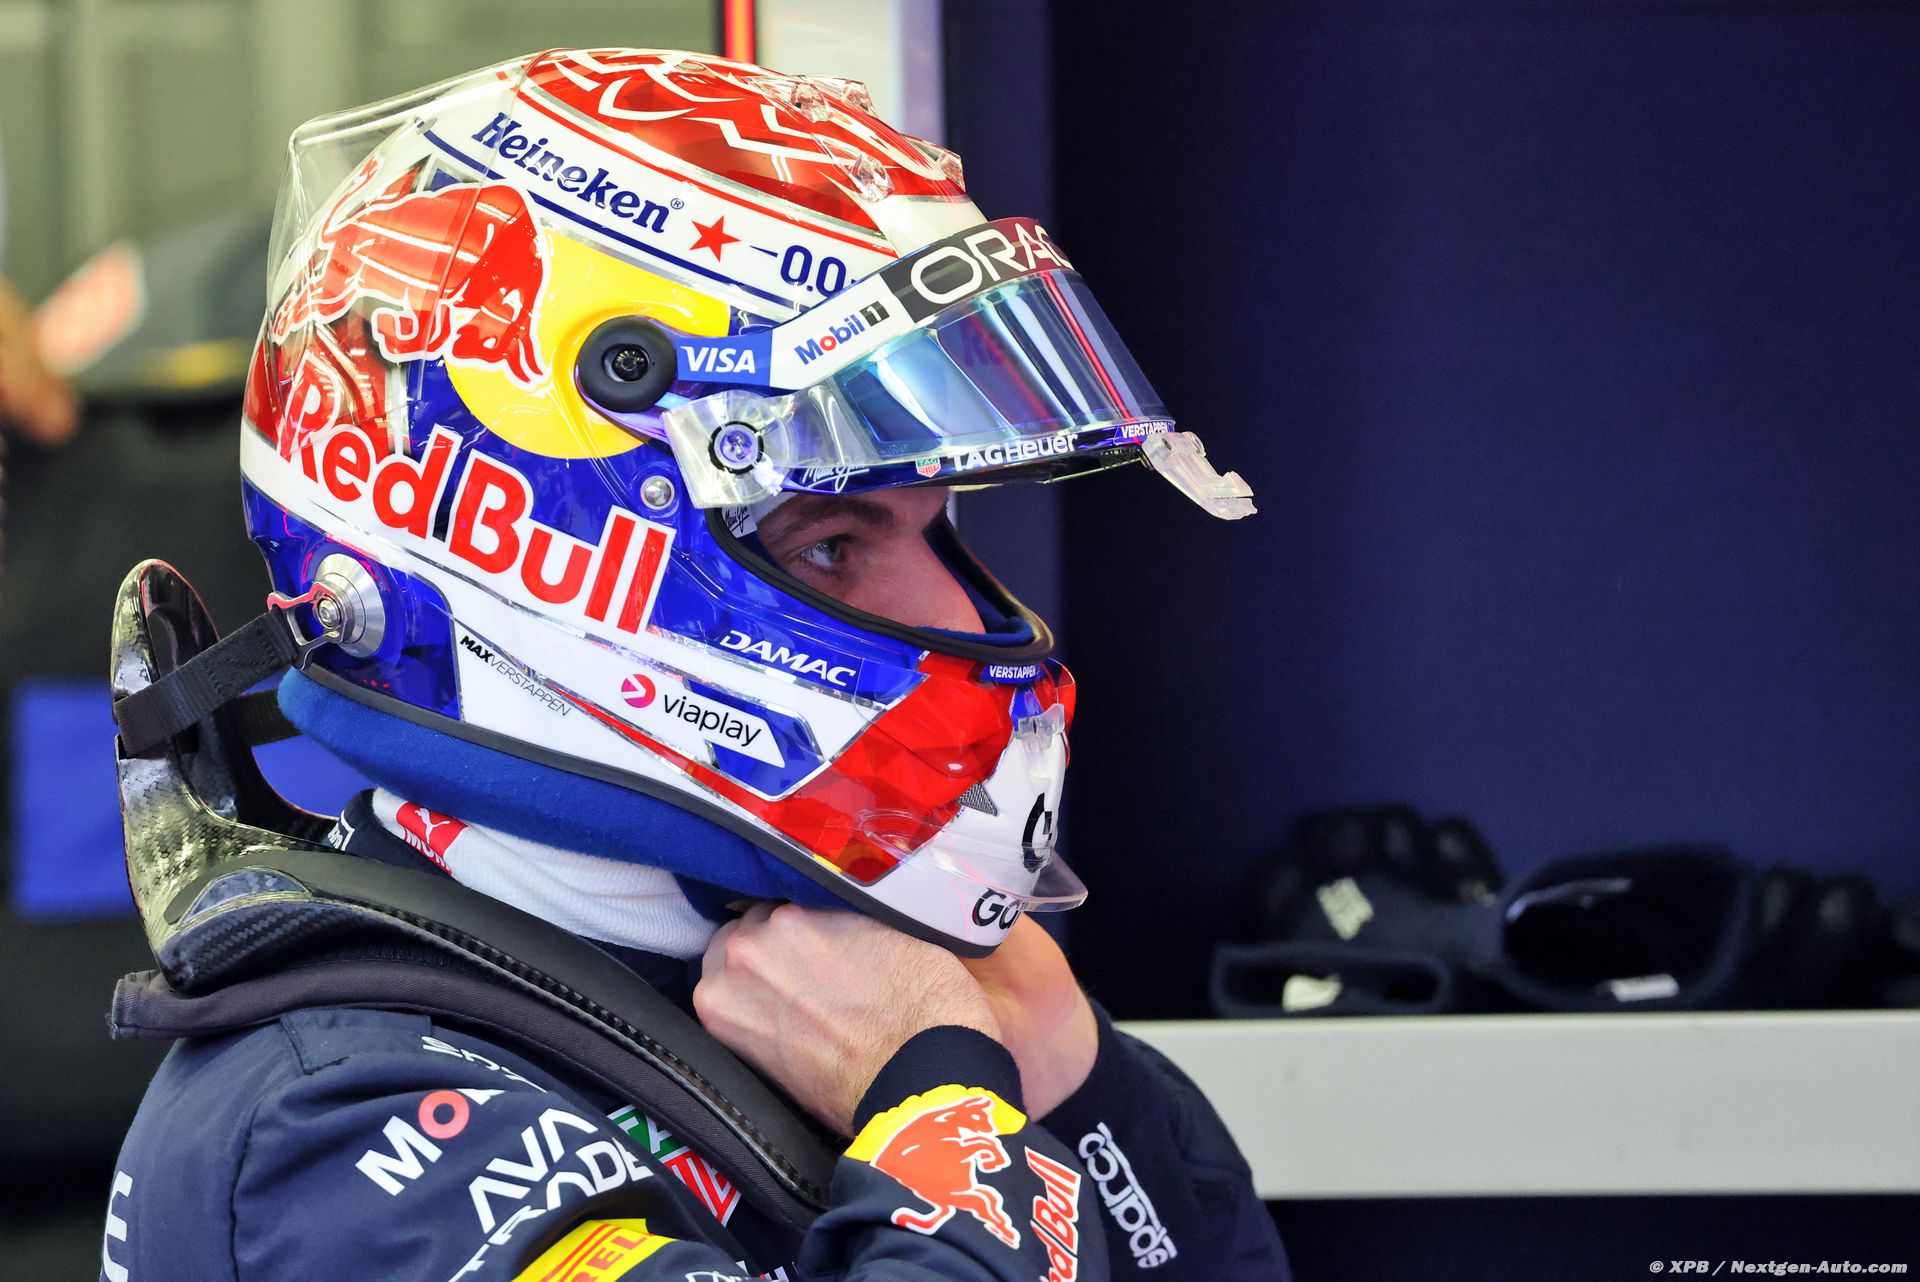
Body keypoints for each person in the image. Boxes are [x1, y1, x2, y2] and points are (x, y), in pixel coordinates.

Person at [100, 48, 1283, 1281]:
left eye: (938, 528)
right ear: (550, 553)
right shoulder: (332, 1132)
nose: (953, 610)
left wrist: (1079, 1081)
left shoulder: (827, 980)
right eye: (833, 544)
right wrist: (944, 1105)